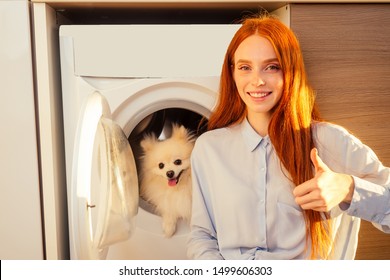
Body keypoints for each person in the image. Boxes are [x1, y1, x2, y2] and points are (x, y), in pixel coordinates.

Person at [187, 15, 390, 260]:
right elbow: (202, 235)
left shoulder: (331, 141)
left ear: (291, 72)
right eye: (245, 67)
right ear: (232, 73)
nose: (257, 80)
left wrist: (348, 188)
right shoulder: (209, 148)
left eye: (272, 67)